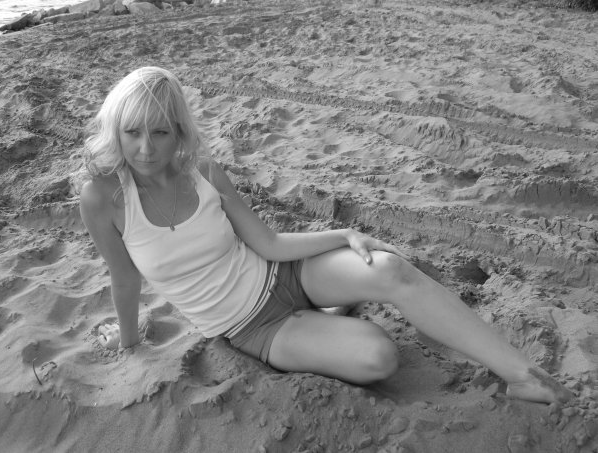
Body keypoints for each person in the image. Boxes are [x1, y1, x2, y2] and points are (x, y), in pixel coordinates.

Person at [80, 66, 571, 405]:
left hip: (283, 273)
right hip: (252, 327)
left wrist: (346, 234)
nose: (146, 148)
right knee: (379, 357)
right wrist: (130, 346)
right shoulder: (104, 197)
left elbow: (268, 245)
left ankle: (525, 377)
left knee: (391, 268)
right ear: (115, 131)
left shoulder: (204, 172)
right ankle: (331, 315)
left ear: (178, 132)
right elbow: (125, 279)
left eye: (160, 133)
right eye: (133, 132)